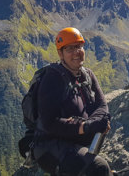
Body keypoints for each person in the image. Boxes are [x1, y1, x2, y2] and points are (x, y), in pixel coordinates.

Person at [33, 27, 112, 176]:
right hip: (50, 146)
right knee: (99, 167)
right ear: (60, 53)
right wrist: (86, 126)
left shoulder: (87, 75)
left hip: (76, 142)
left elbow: (102, 106)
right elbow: (50, 123)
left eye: (79, 46)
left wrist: (93, 123)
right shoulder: (52, 78)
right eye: (69, 48)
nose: (76, 52)